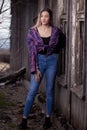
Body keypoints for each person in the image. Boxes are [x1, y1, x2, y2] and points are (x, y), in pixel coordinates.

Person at [19, 8, 66, 129]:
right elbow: (32, 52)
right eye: (42, 16)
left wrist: (54, 52)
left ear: (50, 17)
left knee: (50, 91)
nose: (44, 18)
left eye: (46, 16)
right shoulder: (32, 32)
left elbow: (63, 42)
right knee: (32, 91)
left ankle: (48, 119)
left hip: (52, 61)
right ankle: (24, 120)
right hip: (38, 61)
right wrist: (35, 69)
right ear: (39, 18)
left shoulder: (56, 31)